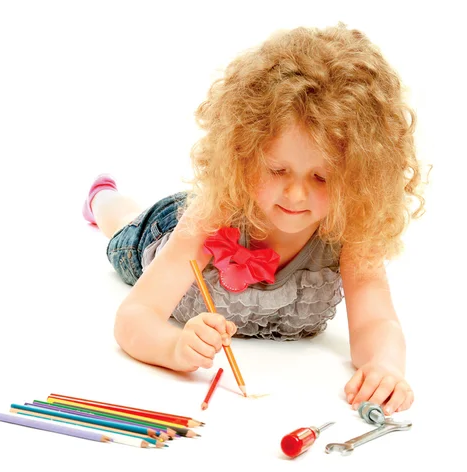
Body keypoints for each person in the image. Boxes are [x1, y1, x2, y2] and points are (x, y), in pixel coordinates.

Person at [82, 23, 427, 415]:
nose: (296, 195)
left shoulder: (349, 228)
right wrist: (173, 347)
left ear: (358, 178)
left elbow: (375, 323)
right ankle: (101, 198)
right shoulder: (213, 214)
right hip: (161, 232)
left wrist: (384, 366)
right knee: (121, 225)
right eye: (278, 170)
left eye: (322, 177)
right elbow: (133, 318)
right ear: (245, 155)